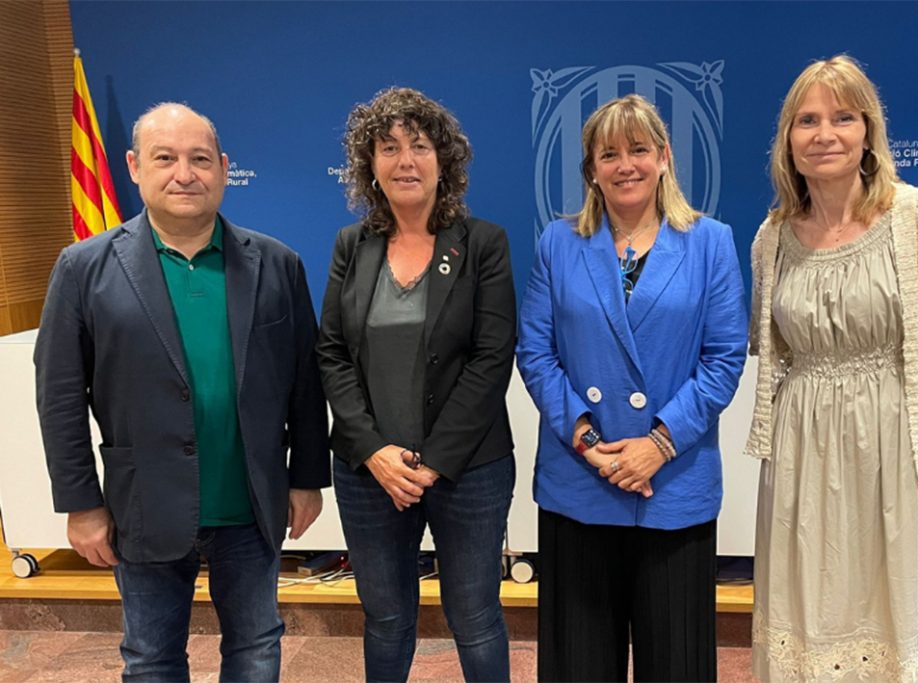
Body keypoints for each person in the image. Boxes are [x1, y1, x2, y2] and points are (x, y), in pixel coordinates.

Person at [35, 103, 330, 682]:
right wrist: (81, 505)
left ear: (222, 168)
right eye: (164, 158)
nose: (184, 173)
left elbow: (305, 381)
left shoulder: (277, 264)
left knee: (256, 647)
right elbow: (60, 397)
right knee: (151, 656)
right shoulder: (82, 268)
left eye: (199, 159)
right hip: (141, 504)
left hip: (251, 502)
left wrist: (306, 478)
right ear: (134, 168)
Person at [746, 55, 918, 682]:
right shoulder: (770, 238)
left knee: (900, 596)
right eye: (808, 120)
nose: (825, 134)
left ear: (869, 130)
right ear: (788, 140)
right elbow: (775, 349)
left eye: (843, 118)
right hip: (803, 451)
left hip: (901, 443)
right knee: (811, 602)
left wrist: (878, 398)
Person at [517, 94, 748, 682]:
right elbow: (536, 352)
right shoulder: (558, 243)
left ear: (664, 157)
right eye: (609, 153)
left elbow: (723, 360)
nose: (626, 165)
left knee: (676, 662)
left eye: (639, 150)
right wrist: (585, 437)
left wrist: (659, 445)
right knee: (579, 664)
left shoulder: (710, 242)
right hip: (581, 479)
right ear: (591, 169)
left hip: (671, 483)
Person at [317, 87, 516, 683]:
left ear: (443, 161)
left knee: (475, 615)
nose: (406, 160)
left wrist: (431, 463)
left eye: (420, 146)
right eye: (389, 147)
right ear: (369, 166)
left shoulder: (482, 243)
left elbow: (490, 358)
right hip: (369, 473)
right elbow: (331, 353)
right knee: (385, 618)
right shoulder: (352, 247)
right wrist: (375, 451)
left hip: (468, 469)